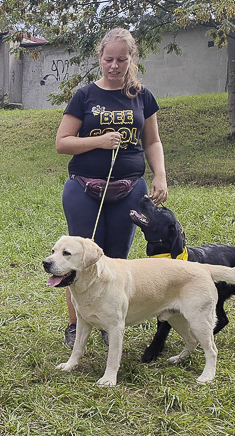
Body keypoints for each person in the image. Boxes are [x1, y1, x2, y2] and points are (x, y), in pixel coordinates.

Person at [55, 27, 168, 348]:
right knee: (77, 258)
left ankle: (107, 320)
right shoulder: (85, 96)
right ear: (100, 58)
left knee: (115, 259)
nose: (114, 65)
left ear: (132, 58)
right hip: (83, 188)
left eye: (121, 59)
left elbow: (153, 141)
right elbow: (62, 143)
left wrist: (160, 175)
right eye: (108, 59)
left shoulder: (142, 96)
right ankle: (76, 324)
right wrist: (99, 142)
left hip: (130, 187)